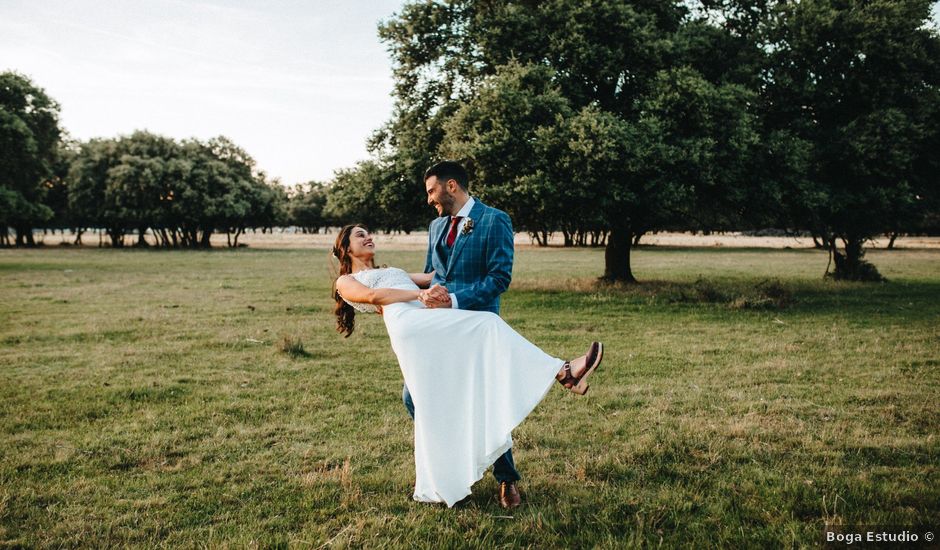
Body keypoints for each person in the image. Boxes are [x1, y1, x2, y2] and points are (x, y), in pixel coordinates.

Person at [332, 223, 603, 508]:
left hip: (429, 322)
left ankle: (465, 479)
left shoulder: (393, 271)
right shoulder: (346, 281)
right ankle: (563, 372)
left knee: (457, 392)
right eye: (360, 235)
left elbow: (434, 275)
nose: (369, 237)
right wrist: (419, 295)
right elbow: (375, 297)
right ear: (346, 247)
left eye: (369, 232)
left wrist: (466, 239)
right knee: (487, 324)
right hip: (413, 326)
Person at [413, 160, 522, 508]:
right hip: (439, 329)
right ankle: (453, 470)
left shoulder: (495, 220)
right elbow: (433, 274)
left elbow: (499, 279)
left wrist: (455, 300)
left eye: (432, 191)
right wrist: (389, 281)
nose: (430, 199)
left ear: (452, 186)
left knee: (483, 404)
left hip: (476, 326)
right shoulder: (434, 227)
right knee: (413, 396)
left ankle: (506, 479)